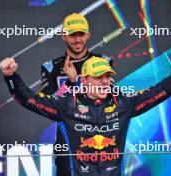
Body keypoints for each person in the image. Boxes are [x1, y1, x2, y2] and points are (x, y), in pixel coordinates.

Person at [1, 48, 171, 175]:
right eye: (99, 77)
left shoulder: (124, 102)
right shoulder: (67, 104)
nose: (105, 81)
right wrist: (11, 77)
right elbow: (28, 99)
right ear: (85, 80)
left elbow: (162, 90)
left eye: (108, 76)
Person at [40, 13, 113, 175]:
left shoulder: (105, 62)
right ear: (63, 36)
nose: (78, 39)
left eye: (81, 34)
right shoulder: (50, 67)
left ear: (88, 35)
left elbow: (110, 101)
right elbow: (49, 106)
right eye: (73, 35)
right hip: (66, 141)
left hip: (99, 139)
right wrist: (70, 82)